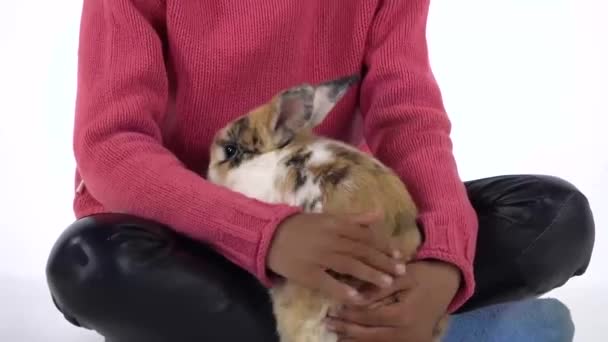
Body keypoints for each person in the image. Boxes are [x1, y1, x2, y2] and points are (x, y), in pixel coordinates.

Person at [45, 1, 595, 341]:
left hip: (341, 245)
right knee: (88, 262)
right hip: (192, 243)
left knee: (555, 216)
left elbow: (409, 123)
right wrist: (268, 235)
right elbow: (110, 147)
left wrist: (442, 268)